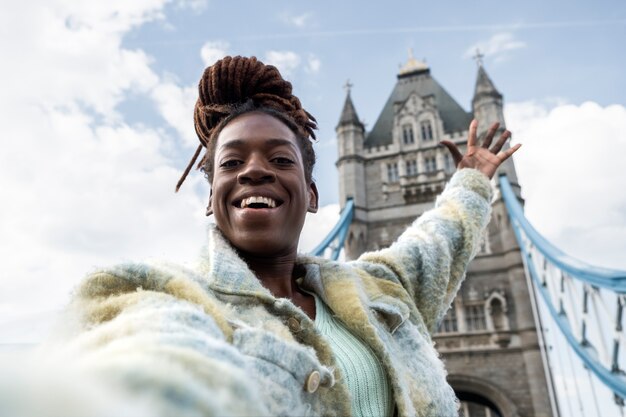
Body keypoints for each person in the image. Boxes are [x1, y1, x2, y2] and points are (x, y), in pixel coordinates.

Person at [1, 56, 520, 417]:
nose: (254, 171)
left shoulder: (378, 290)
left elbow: (438, 239)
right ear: (211, 196)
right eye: (231, 161)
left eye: (278, 159)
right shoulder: (169, 298)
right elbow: (144, 361)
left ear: (311, 194)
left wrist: (473, 179)